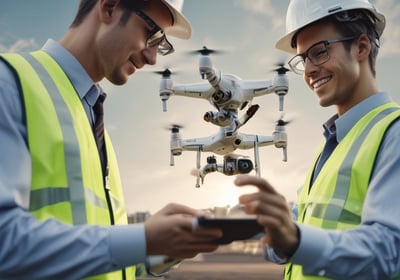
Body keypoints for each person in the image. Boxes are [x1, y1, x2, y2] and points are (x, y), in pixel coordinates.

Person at [0, 0, 222, 279]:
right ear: (109, 7)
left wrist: (160, 251)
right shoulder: (8, 83)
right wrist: (142, 240)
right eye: (150, 33)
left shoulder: (93, 124)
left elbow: (102, 259)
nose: (153, 58)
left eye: (161, 44)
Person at [234, 0, 400, 279]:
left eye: (320, 52)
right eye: (303, 59)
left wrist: (296, 241)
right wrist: (266, 228)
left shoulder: (392, 134)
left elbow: (390, 252)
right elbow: (302, 226)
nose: (309, 70)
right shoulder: (332, 145)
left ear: (361, 47)